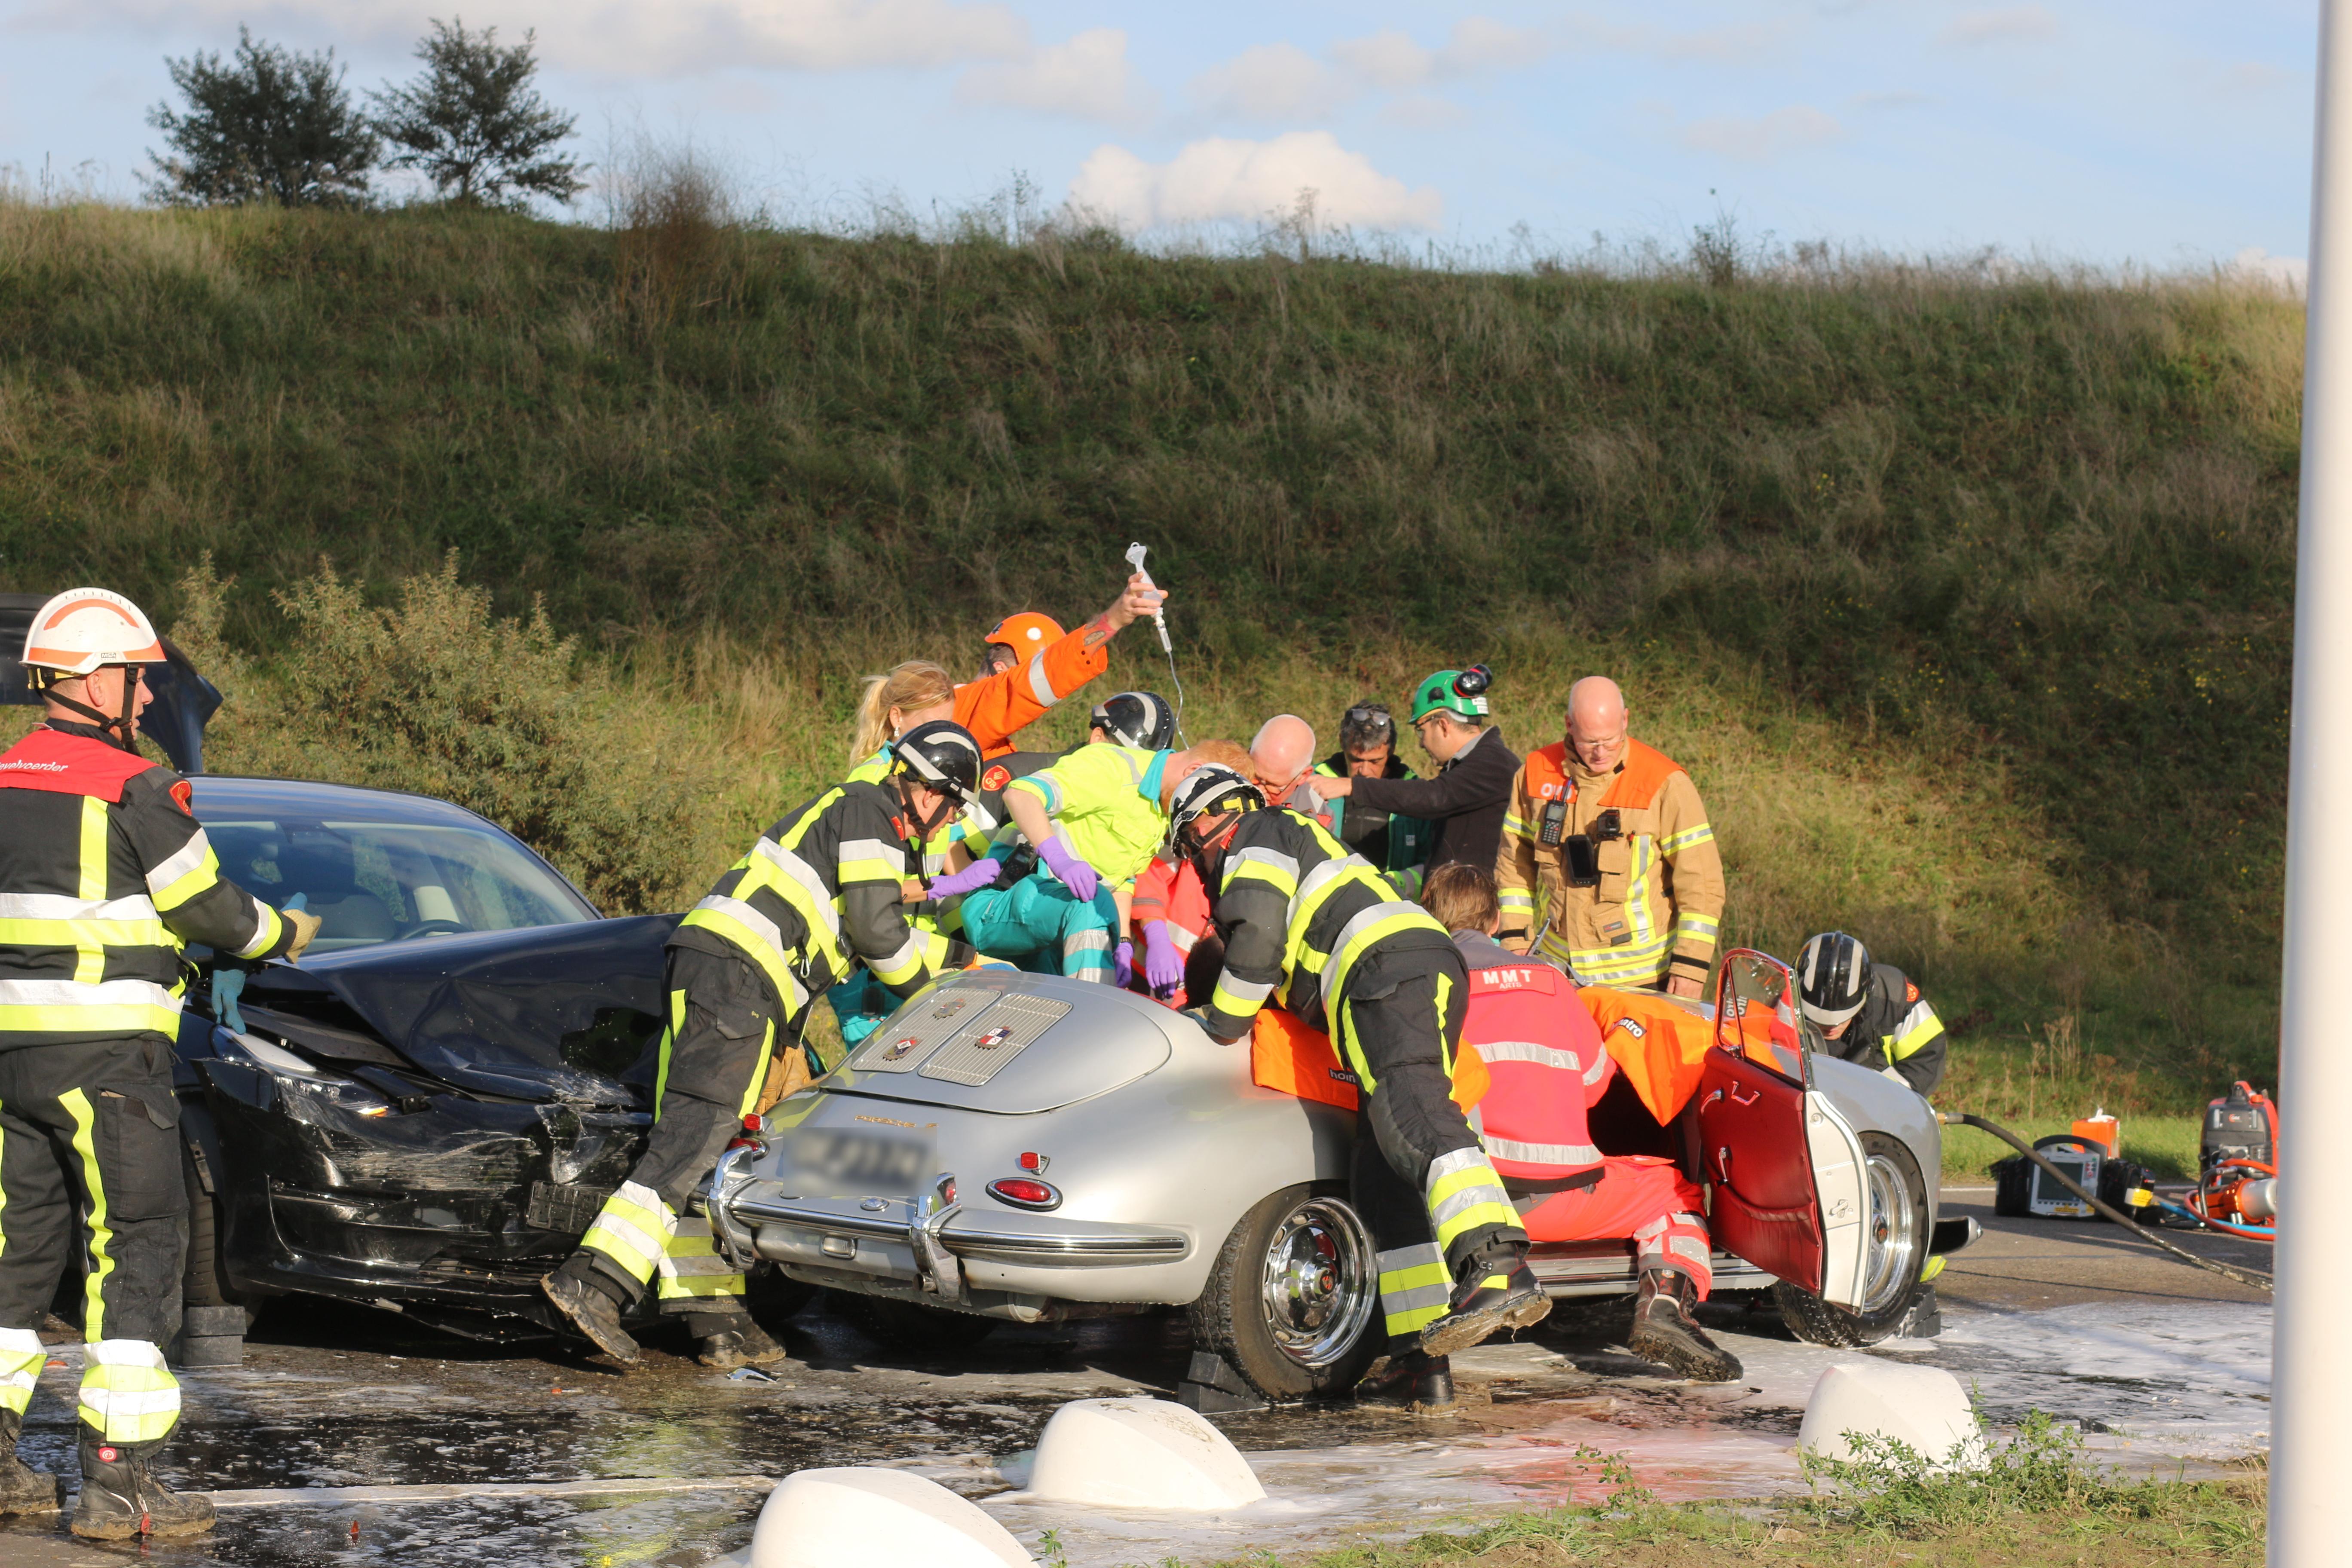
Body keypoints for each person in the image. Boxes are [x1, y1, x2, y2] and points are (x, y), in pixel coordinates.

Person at [0, 589, 322, 1539]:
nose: (147, 702)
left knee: (14, 1261)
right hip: (106, 1063)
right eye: (140, 682)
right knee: (139, 1250)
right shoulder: (134, 789)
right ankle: (118, 1486)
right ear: (95, 681)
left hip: (10, 1063)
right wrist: (284, 932)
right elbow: (212, 911)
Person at [542, 722, 985, 1368]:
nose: (946, 826)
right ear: (931, 793)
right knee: (693, 1139)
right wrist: (932, 994)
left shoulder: (863, 817)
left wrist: (973, 963)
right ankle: (593, 1283)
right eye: (951, 809)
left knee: (712, 1148)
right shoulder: (872, 814)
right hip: (740, 977)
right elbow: (878, 934)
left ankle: (713, 1316)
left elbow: (877, 929)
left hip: (726, 972)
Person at [1167, 767, 1549, 1375]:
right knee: (1382, 1173)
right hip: (1411, 960)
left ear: (1207, 821)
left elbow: (1259, 939)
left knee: (1414, 1113)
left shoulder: (1258, 833)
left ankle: (1495, 1260)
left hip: (1382, 966)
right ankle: (1422, 1354)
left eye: (1190, 847)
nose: (1197, 864)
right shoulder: (1295, 837)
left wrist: (1219, 1021)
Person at [1405, 864, 1737, 1401]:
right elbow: (1595, 1084)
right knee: (1673, 1192)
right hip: (1570, 1199)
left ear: (1428, 916)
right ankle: (1665, 1307)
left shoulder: (1427, 983)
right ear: (1494, 919)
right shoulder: (1554, 984)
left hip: (1477, 1207)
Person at [1495, 676, 1724, 998]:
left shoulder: (1664, 782)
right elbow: (1513, 867)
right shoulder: (1534, 774)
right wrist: (1515, 942)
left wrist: (1690, 968)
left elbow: (1702, 885)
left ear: (1626, 720)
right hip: (1557, 969)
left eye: (1611, 740)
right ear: (1569, 725)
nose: (1601, 753)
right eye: (1590, 742)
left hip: (1641, 978)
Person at [846, 572, 1169, 767]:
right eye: (1030, 667)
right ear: (1002, 670)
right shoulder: (965, 710)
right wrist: (1114, 619)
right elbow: (1031, 684)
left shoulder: (968, 720)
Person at [960, 739, 1204, 985]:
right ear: (1193, 772)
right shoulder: (1114, 767)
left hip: (1048, 939)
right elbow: (1020, 794)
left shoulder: (1160, 812)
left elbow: (1121, 881)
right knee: (1091, 903)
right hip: (997, 907)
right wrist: (1060, 861)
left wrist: (1122, 944)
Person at [1313, 667, 1518, 878]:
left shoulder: (1493, 763)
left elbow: (1435, 797)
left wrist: (1351, 785)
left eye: (1422, 730)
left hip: (1476, 906)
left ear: (1443, 726)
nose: (1421, 743)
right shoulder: (1473, 764)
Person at [1130, 740, 1252, 1006]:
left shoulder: (1253, 851)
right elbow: (1147, 876)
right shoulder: (1187, 835)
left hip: (1201, 1001)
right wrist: (1157, 935)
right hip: (1142, 981)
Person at [1795, 931, 1948, 1095]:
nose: (1832, 1028)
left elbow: (1927, 1058)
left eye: (1842, 1019)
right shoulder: (1785, 1002)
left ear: (1866, 993)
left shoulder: (1895, 996)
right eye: (1821, 1020)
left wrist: (1892, 1102)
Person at [1312, 701, 1434, 895]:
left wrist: (1399, 883)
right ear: (1342, 744)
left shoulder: (1414, 793)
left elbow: (1430, 863)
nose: (1365, 771)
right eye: (1356, 760)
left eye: (1375, 761)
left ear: (1391, 750)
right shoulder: (1314, 782)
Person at [1246, 715, 1329, 821]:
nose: (1260, 791)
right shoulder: (1223, 780)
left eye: (1273, 786)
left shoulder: (1320, 817)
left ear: (1303, 776)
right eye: (1254, 778)